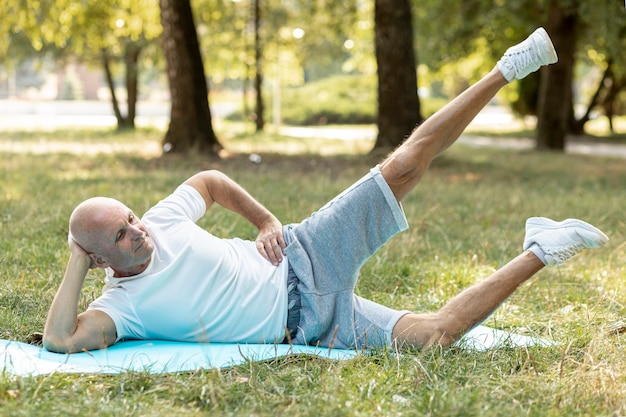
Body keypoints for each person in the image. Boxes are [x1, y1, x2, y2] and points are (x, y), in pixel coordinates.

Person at [43, 28, 608, 354]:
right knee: (437, 338)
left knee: (406, 165)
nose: (138, 230)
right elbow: (59, 342)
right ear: (99, 258)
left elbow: (210, 182)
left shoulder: (161, 223)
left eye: (132, 217)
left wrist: (265, 222)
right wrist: (76, 260)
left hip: (305, 254)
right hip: (316, 327)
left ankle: (509, 67)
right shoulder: (122, 308)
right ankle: (542, 248)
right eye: (120, 234)